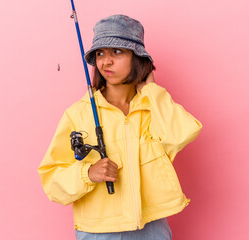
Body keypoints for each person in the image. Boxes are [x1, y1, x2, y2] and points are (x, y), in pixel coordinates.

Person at [37, 14, 202, 239]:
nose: (106, 62)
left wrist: (152, 91)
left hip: (152, 227)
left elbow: (182, 133)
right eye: (100, 53)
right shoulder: (78, 114)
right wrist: (88, 173)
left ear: (137, 57)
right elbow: (51, 179)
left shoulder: (152, 107)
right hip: (99, 231)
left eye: (117, 52)